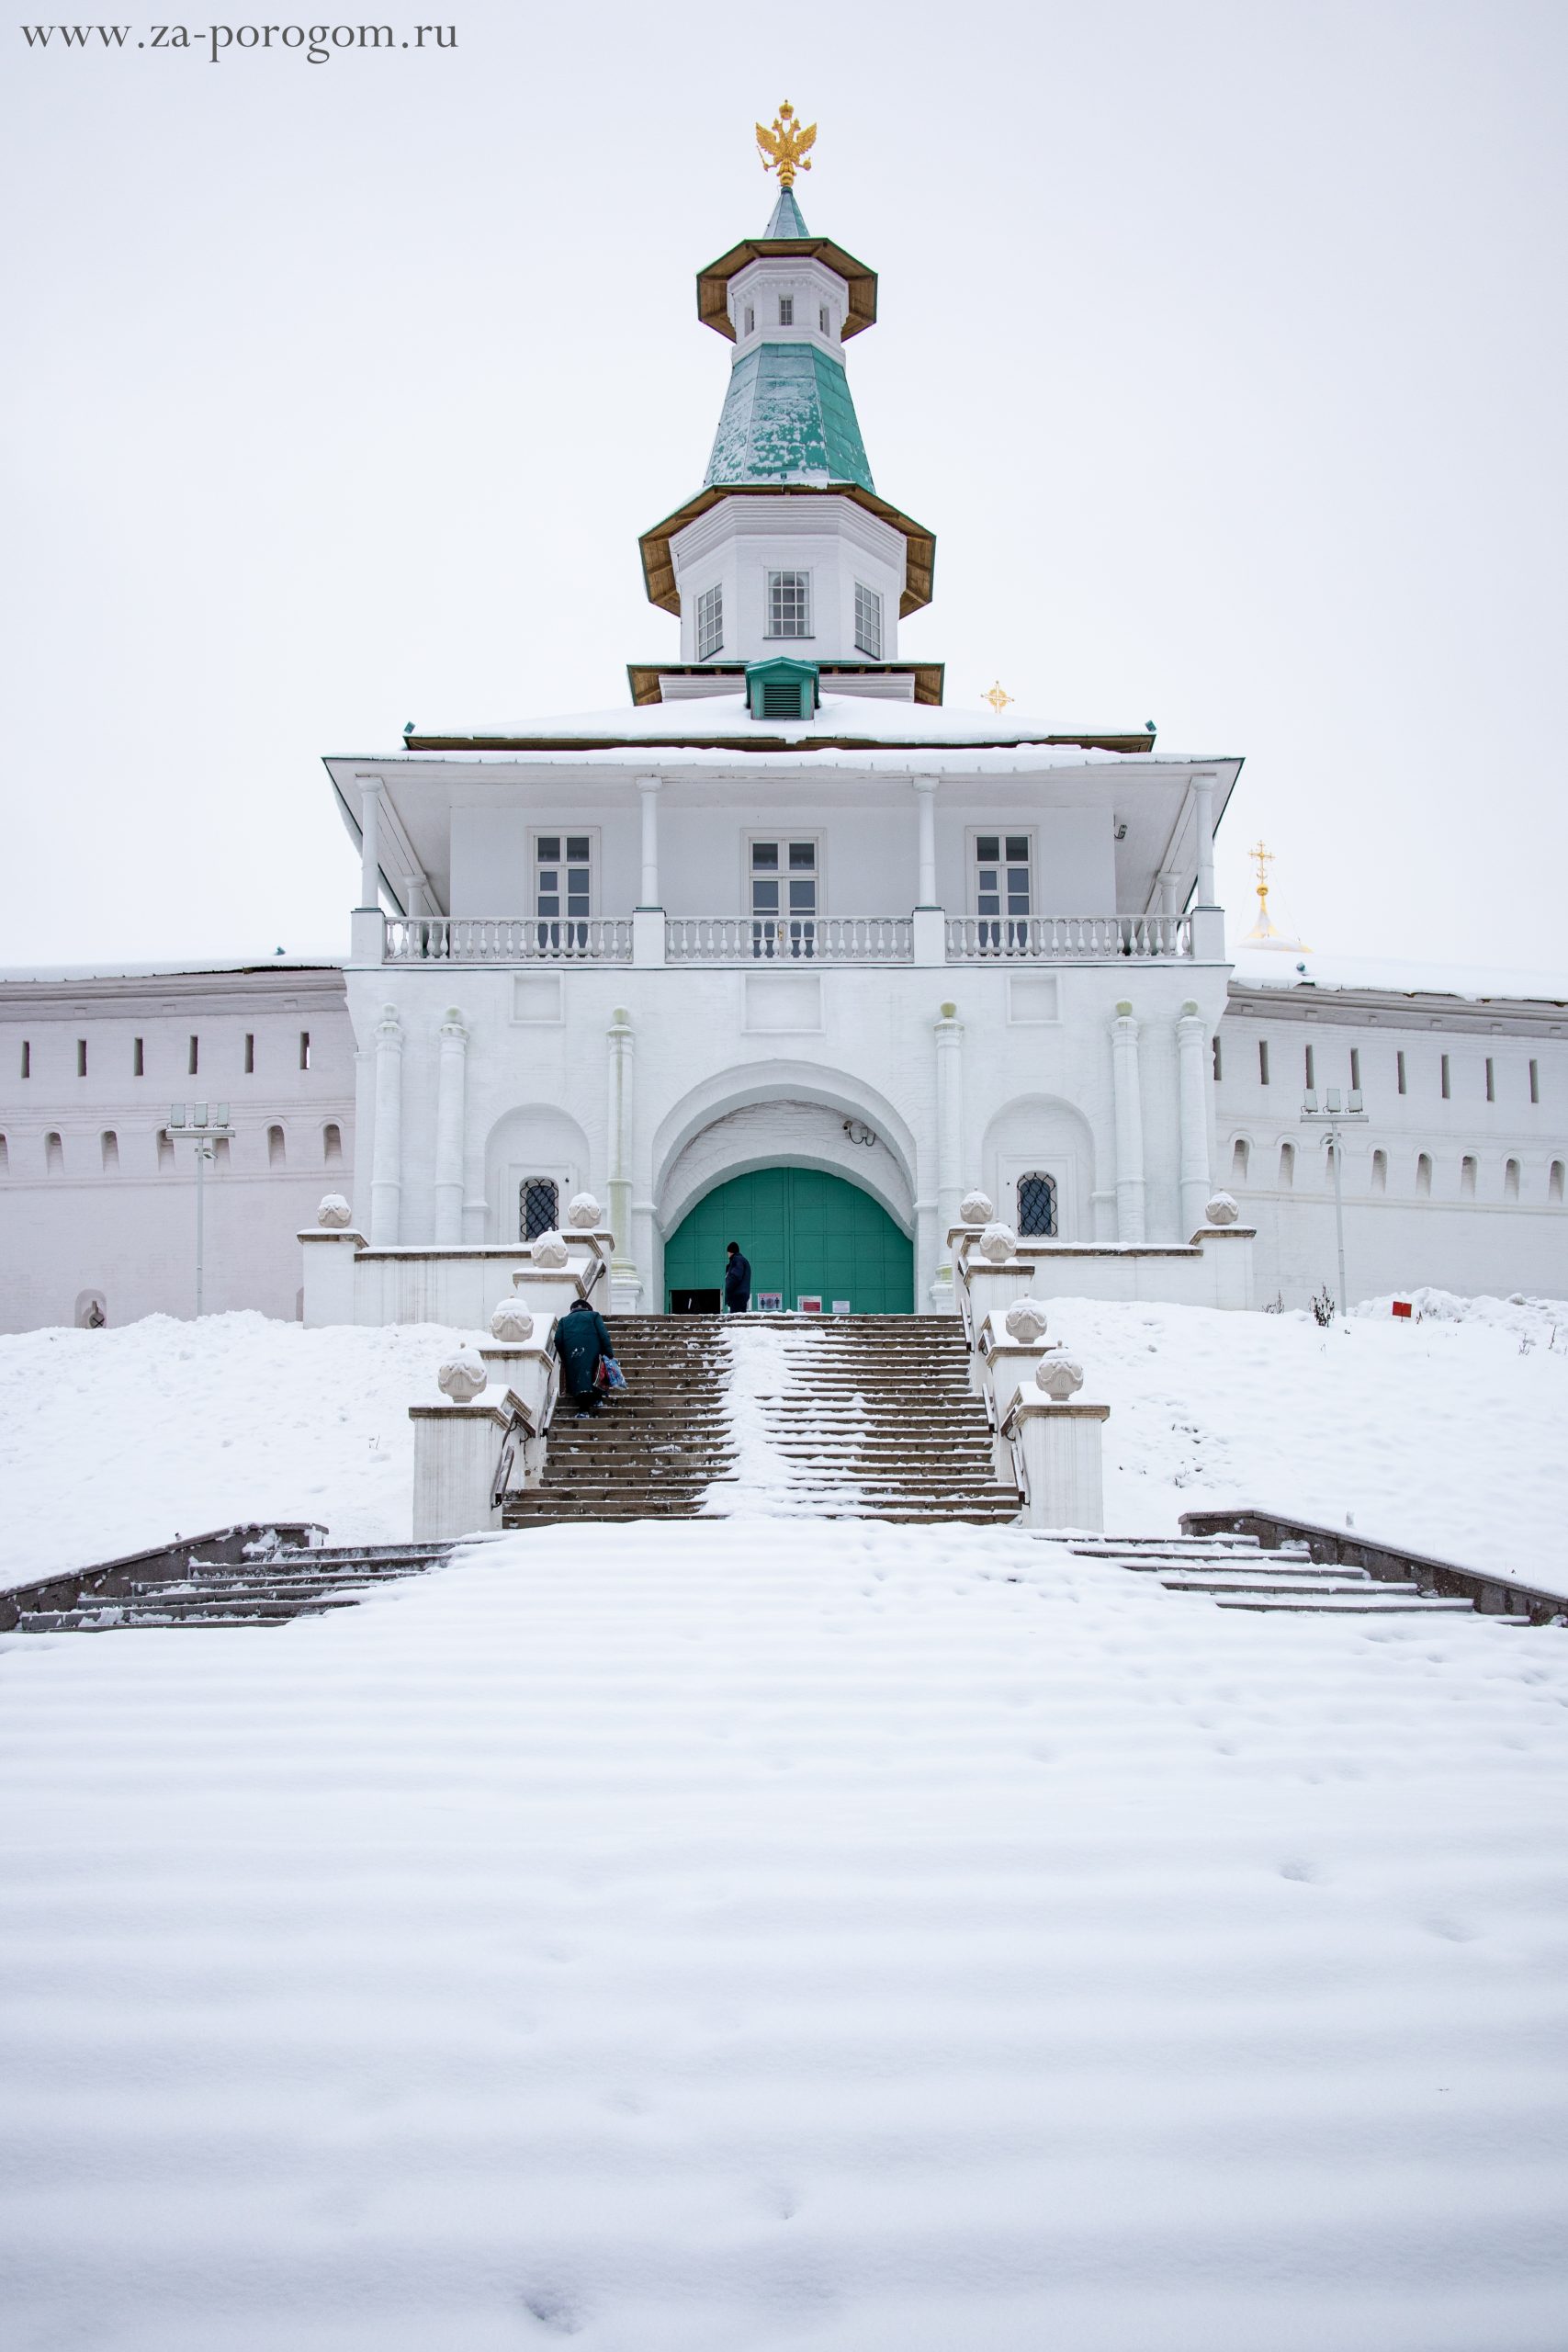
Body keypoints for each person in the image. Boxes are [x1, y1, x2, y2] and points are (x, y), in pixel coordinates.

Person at [555, 1295, 615, 1417]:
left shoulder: (563, 1321)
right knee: (595, 1374)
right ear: (588, 1309)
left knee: (578, 1378)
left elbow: (558, 1340)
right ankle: (597, 1400)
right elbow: (603, 1335)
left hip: (572, 1352)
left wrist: (564, 1356)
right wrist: (609, 1353)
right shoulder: (594, 1316)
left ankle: (583, 1409)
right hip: (593, 1351)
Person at [724, 1240, 751, 1315]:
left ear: (730, 1252)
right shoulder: (743, 1260)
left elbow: (735, 1276)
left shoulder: (737, 1260)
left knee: (736, 1321)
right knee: (740, 1320)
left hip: (737, 1296)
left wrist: (728, 1288)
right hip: (742, 1296)